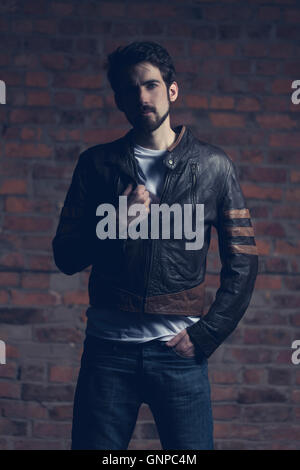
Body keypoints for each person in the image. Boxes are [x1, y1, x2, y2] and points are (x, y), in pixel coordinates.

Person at [52, 41, 259, 450]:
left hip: (179, 357)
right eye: (131, 90)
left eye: (151, 85)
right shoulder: (96, 164)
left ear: (172, 90)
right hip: (107, 353)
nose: (142, 97)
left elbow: (244, 264)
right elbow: (66, 255)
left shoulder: (214, 166)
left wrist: (205, 335)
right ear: (119, 100)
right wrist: (117, 222)